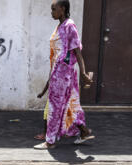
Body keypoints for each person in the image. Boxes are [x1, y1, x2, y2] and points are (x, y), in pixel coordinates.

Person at [34, 0, 94, 150]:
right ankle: (84, 132)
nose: (51, 12)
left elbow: (77, 52)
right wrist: (45, 87)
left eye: (54, 9)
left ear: (63, 8)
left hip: (63, 74)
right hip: (60, 72)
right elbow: (56, 57)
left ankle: (50, 141)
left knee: (55, 107)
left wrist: (83, 72)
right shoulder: (60, 26)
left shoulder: (69, 26)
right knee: (71, 104)